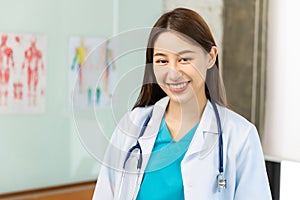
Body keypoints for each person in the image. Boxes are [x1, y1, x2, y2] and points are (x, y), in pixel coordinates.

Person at [93, 8, 272, 200]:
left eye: (184, 59)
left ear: (211, 57)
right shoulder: (132, 126)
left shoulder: (240, 136)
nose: (173, 73)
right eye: (162, 60)